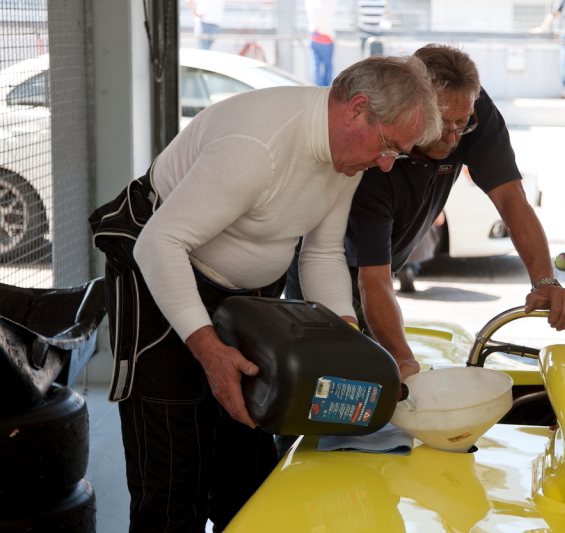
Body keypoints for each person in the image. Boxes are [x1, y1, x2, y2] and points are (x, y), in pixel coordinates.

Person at [89, 55, 440, 533]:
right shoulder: (257, 146)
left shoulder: (349, 154)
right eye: (387, 147)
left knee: (247, 466)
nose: (385, 164)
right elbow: (159, 243)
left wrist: (348, 343)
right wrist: (209, 350)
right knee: (174, 474)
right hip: (161, 274)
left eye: (396, 154)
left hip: (247, 297)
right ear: (357, 109)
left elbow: (321, 254)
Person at [287, 44, 565, 381]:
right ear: (415, 106)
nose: (452, 136)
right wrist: (402, 359)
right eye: (441, 122)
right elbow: (373, 279)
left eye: (461, 123)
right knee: (333, 378)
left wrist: (544, 281)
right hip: (330, 266)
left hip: (386, 264)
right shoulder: (378, 159)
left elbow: (511, 199)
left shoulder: (469, 108)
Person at [305, 0, 337, 86]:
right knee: (328, 66)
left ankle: (318, 87)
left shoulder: (311, 3)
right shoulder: (329, 4)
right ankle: (325, 88)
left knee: (315, 66)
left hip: (313, 37)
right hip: (326, 38)